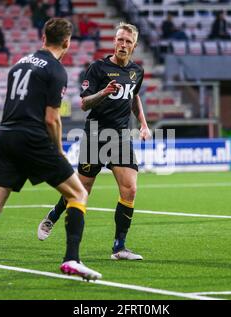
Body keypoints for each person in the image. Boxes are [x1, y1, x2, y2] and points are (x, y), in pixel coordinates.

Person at [0, 18, 101, 288]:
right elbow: (52, 119)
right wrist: (58, 151)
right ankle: (72, 258)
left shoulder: (19, 63)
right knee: (78, 193)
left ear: (43, 38)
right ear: (67, 42)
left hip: (5, 136)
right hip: (32, 137)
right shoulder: (56, 70)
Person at [37, 22, 151, 261]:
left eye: (128, 41)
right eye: (120, 40)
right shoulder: (98, 68)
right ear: (114, 41)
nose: (123, 44)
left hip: (120, 137)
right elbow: (85, 103)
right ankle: (54, 214)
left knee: (130, 189)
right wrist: (104, 92)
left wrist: (143, 123)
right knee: (82, 189)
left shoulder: (136, 72)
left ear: (134, 46)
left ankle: (119, 247)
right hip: (96, 136)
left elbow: (134, 96)